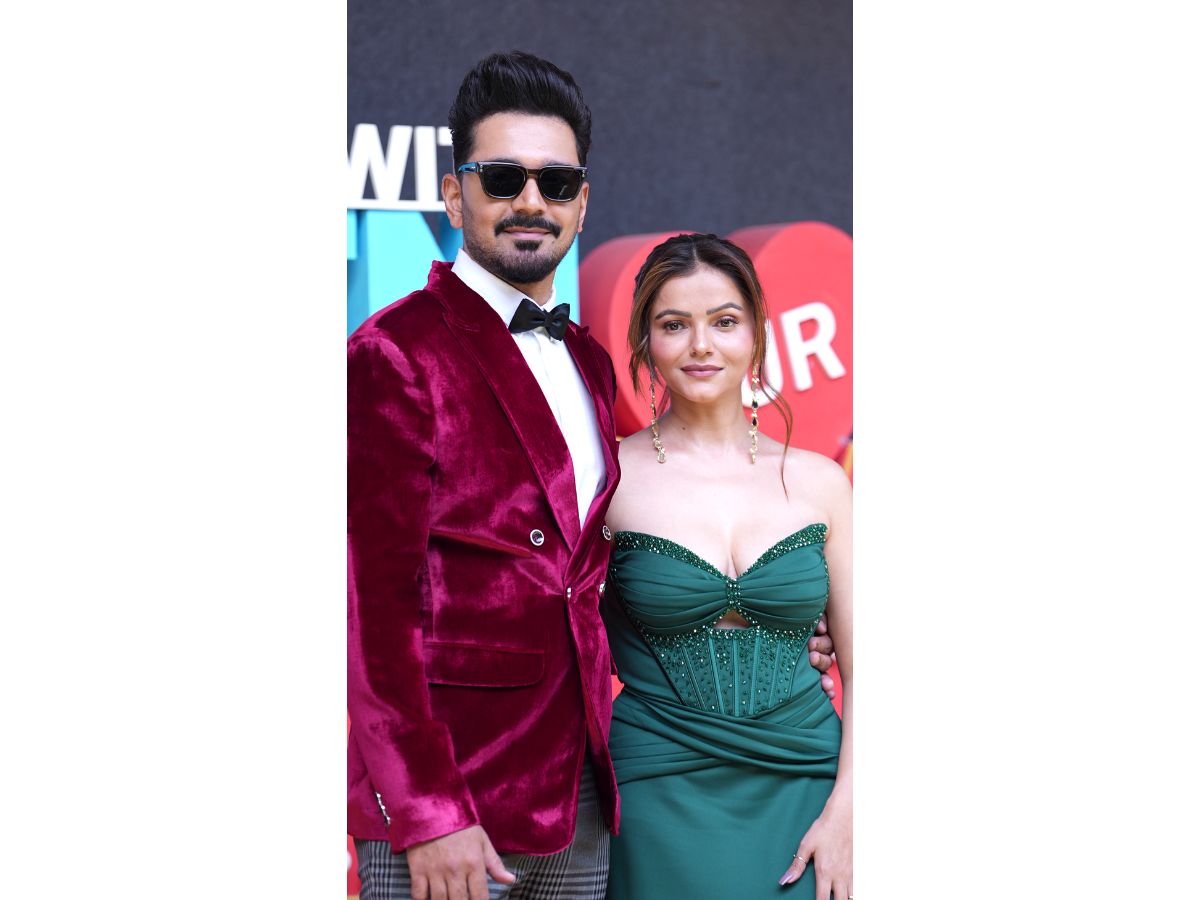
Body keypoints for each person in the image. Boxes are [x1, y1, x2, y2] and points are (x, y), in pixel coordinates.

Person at [348, 51, 839, 900]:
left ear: (583, 201)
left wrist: (773, 619)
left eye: (556, 181)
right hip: (456, 809)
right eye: (503, 179)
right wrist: (427, 810)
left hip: (582, 805)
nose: (530, 201)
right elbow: (367, 612)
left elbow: (588, 573)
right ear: (454, 195)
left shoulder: (586, 362)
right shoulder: (393, 353)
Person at [601, 233, 853, 900]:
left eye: (723, 321)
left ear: (757, 335)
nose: (700, 346)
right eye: (673, 325)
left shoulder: (821, 483)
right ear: (644, 341)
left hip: (810, 784)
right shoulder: (607, 479)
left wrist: (850, 812)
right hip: (655, 791)